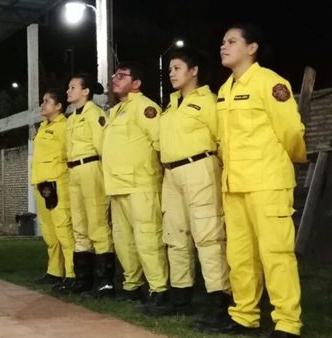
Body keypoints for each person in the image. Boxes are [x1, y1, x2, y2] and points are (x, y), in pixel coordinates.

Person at [202, 23, 306, 338]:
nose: (224, 46)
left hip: (267, 183)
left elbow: (291, 132)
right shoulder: (224, 90)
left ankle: (287, 322)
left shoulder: (270, 83)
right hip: (235, 185)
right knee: (240, 256)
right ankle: (244, 315)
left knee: (276, 254)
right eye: (222, 41)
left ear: (252, 48)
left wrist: (285, 162)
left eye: (232, 41)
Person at [156, 48, 230, 317]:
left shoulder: (208, 101)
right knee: (175, 236)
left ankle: (219, 300)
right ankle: (181, 298)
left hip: (199, 167)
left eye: (177, 68)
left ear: (194, 70)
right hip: (171, 174)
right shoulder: (170, 104)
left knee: (207, 235)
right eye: (170, 69)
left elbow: (222, 138)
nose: (171, 73)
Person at [102, 62, 169, 305]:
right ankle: (132, 285)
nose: (115, 79)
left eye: (122, 76)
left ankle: (158, 288)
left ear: (137, 83)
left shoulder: (145, 107)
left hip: (140, 184)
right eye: (114, 75)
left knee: (148, 238)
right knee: (124, 241)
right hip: (117, 185)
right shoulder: (117, 111)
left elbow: (160, 143)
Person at [53, 73, 115, 297]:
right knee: (79, 225)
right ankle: (82, 279)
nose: (68, 91)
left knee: (97, 223)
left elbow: (103, 148)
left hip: (91, 168)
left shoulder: (94, 115)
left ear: (85, 91)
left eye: (73, 87)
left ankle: (105, 282)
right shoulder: (71, 118)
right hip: (74, 171)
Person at [31, 88, 76, 288]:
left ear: (58, 106)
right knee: (49, 231)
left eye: (47, 101)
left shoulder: (64, 127)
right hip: (40, 182)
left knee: (63, 230)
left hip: (57, 182)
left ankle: (73, 274)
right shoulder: (42, 127)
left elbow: (69, 153)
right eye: (43, 101)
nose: (43, 104)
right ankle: (54, 271)